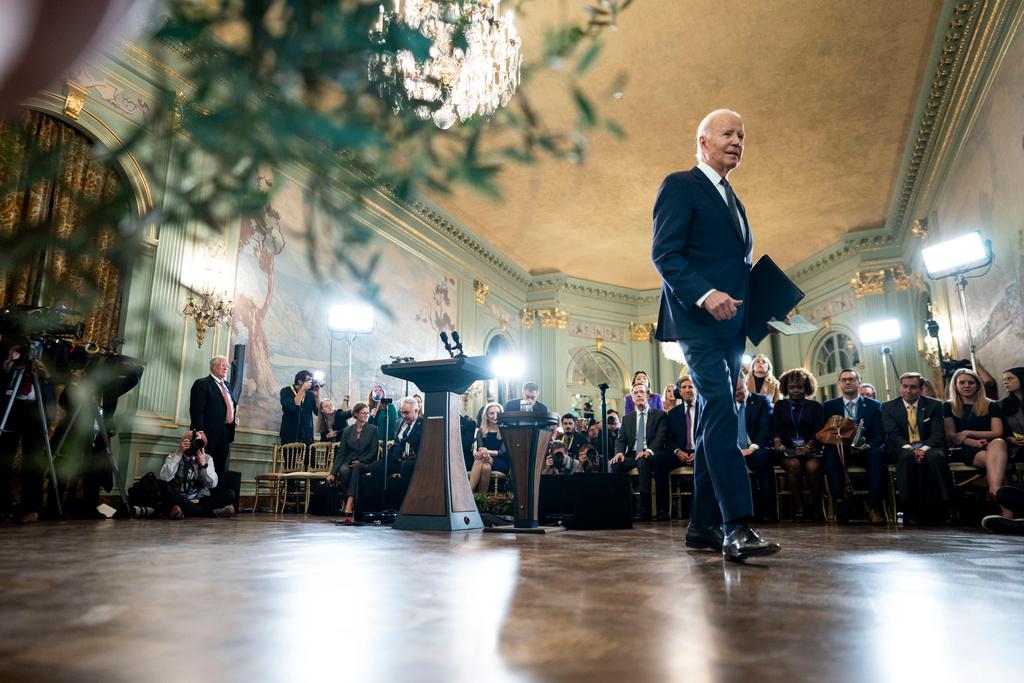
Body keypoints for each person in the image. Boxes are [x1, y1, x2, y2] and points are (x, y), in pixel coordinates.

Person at [652, 108, 779, 560]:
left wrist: (767, 306)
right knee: (723, 412)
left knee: (711, 421)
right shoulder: (680, 184)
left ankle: (702, 525)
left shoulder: (736, 202)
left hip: (733, 326)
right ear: (702, 142)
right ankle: (736, 525)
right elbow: (664, 255)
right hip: (698, 321)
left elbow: (737, 267)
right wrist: (705, 294)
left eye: (742, 135)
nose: (738, 141)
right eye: (728, 133)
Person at [881, 372, 950, 524]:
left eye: (913, 387)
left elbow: (937, 433)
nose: (908, 390)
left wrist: (924, 449)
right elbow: (893, 433)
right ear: (900, 387)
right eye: (905, 386)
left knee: (934, 457)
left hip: (929, 446)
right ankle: (908, 508)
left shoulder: (934, 405)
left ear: (920, 389)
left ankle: (944, 507)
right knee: (906, 457)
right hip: (902, 447)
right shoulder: (888, 407)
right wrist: (910, 449)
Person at [944, 368, 1012, 519]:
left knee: (999, 443)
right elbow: (951, 435)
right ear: (955, 385)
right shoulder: (948, 406)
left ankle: (994, 489)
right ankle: (1007, 513)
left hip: (991, 444)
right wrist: (969, 441)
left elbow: (997, 432)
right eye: (962, 382)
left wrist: (968, 432)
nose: (967, 385)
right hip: (962, 448)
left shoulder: (991, 405)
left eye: (971, 382)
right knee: (995, 463)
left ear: (978, 385)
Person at [822, 368, 886, 524]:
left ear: (859, 381)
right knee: (830, 454)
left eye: (851, 379)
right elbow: (825, 432)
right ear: (839, 384)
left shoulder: (874, 405)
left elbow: (879, 434)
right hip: (840, 449)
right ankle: (839, 502)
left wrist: (867, 446)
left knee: (877, 453)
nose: (848, 382)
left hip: (865, 450)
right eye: (844, 380)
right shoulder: (829, 406)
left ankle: (873, 507)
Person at [0, 345, 56, 523]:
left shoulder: (54, 346)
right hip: (11, 406)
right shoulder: (10, 343)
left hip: (36, 409)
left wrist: (47, 374)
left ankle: (31, 509)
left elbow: (65, 375)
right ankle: (3, 507)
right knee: (3, 459)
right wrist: (8, 363)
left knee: (32, 462)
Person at [773, 368, 826, 522]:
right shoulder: (780, 406)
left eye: (800, 387)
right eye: (792, 388)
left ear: (806, 387)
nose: (795, 390)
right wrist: (777, 442)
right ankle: (799, 510)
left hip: (811, 449)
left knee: (813, 467)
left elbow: (818, 430)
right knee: (794, 465)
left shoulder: (815, 406)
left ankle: (817, 510)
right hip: (787, 450)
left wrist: (809, 446)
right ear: (786, 388)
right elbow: (776, 430)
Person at [610, 384, 667, 521]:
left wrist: (648, 450)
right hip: (632, 454)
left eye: (642, 392)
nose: (639, 395)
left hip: (650, 454)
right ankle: (624, 507)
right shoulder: (627, 418)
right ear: (632, 398)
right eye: (635, 393)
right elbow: (621, 439)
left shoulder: (659, 415)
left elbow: (661, 437)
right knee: (616, 464)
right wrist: (619, 452)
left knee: (643, 461)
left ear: (647, 396)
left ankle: (645, 509)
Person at [159, 431, 236, 518]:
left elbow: (212, 484)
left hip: (200, 499)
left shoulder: (207, 458)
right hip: (180, 497)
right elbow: (165, 477)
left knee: (229, 494)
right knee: (165, 488)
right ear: (184, 442)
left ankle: (184, 510)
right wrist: (179, 453)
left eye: (199, 442)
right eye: (192, 441)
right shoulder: (174, 456)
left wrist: (204, 465)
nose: (195, 445)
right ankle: (210, 513)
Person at [327, 402, 378, 524]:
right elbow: (341, 453)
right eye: (363, 413)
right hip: (348, 461)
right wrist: (332, 473)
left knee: (357, 468)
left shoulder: (373, 429)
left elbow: (374, 451)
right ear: (356, 414)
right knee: (344, 471)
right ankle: (347, 499)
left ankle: (349, 501)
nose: (366, 415)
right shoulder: (347, 431)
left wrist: (361, 460)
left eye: (367, 413)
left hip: (365, 462)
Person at [735, 374, 776, 522]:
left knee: (761, 459)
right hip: (735, 451)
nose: (736, 392)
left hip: (757, 448)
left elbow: (765, 430)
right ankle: (745, 512)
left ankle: (769, 510)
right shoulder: (727, 404)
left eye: (739, 389)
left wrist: (751, 448)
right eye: (733, 389)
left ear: (746, 383)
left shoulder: (760, 401)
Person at [189, 355, 238, 477]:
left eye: (227, 366)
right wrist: (200, 431)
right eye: (223, 365)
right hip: (208, 434)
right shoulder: (202, 384)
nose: (226, 368)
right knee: (205, 467)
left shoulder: (227, 385)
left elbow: (227, 405)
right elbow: (196, 410)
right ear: (213, 366)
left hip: (226, 433)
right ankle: (204, 496)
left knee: (220, 468)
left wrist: (232, 418)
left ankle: (217, 495)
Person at [659, 377, 698, 519]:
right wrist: (676, 451)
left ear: (696, 390)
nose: (687, 390)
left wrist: (699, 452)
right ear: (679, 392)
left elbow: (709, 436)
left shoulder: (706, 410)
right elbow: (669, 439)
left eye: (691, 387)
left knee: (708, 460)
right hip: (680, 453)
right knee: (659, 459)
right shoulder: (673, 413)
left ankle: (699, 511)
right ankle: (663, 510)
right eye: (684, 387)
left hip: (700, 452)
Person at [471, 402, 509, 492]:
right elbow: (480, 448)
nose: (495, 416)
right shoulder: (481, 431)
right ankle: (483, 500)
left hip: (501, 462)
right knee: (486, 467)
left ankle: (468, 491)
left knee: (481, 458)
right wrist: (485, 453)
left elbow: (502, 452)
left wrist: (487, 452)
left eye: (498, 413)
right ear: (487, 416)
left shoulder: (505, 430)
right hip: (485, 459)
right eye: (491, 413)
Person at [279, 370, 319, 446]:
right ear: (300, 381)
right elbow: (292, 408)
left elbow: (317, 412)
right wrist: (302, 390)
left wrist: (317, 396)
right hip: (289, 434)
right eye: (308, 380)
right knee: (290, 458)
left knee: (310, 458)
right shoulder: (285, 391)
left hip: (307, 435)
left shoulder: (310, 394)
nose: (310, 383)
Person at [392, 397, 425, 481]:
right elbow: (396, 443)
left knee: (406, 466)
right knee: (376, 467)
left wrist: (415, 455)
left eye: (406, 413)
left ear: (416, 411)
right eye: (401, 412)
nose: (403, 416)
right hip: (396, 458)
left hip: (413, 460)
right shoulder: (398, 422)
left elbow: (426, 447)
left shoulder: (425, 424)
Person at [999, 367, 1024, 461]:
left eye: (1010, 379)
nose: (1005, 382)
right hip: (1017, 448)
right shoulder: (1001, 405)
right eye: (1004, 380)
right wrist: (1011, 440)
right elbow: (1002, 432)